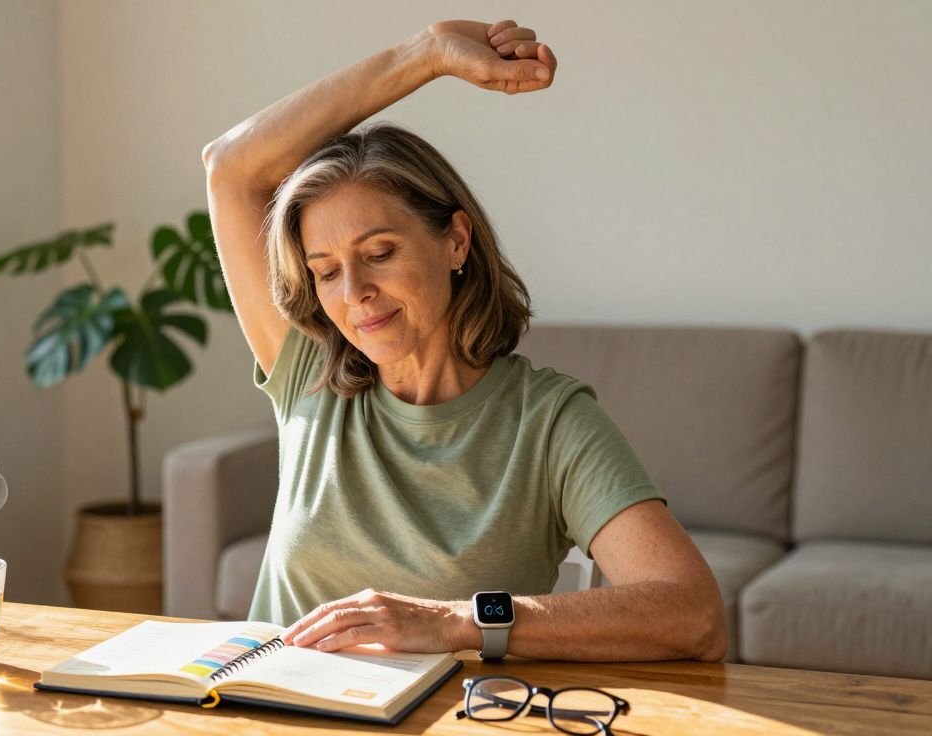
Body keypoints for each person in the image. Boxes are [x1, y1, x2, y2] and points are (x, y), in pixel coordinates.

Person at [201, 17, 726, 662]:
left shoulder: (550, 423)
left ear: (454, 240)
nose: (353, 293)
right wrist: (425, 55)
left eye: (381, 252)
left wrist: (455, 622)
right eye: (326, 271)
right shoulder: (307, 369)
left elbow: (692, 611)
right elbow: (231, 168)